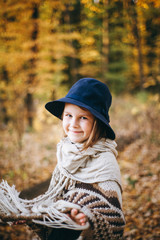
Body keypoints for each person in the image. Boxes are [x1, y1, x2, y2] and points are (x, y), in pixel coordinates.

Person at [0, 78, 125, 240]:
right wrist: (34, 217)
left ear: (98, 123)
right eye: (69, 115)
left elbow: (112, 217)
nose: (73, 123)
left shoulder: (105, 161)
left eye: (83, 118)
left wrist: (87, 218)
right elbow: (56, 203)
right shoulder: (67, 152)